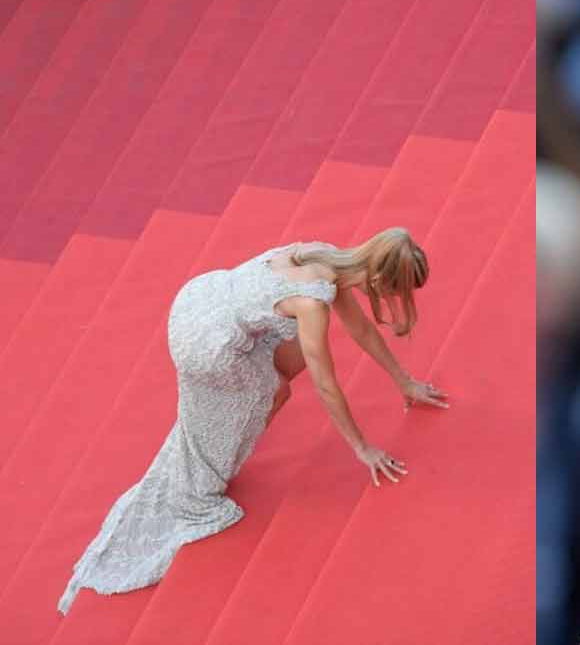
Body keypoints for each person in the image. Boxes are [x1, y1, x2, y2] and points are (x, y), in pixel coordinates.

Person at [57, 227, 448, 615]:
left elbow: (360, 328)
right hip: (210, 345)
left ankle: (236, 424)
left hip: (200, 300)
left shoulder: (325, 256)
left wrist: (405, 382)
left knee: (276, 381)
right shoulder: (312, 303)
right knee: (269, 394)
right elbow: (326, 385)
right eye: (398, 292)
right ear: (380, 279)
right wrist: (362, 448)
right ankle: (220, 448)